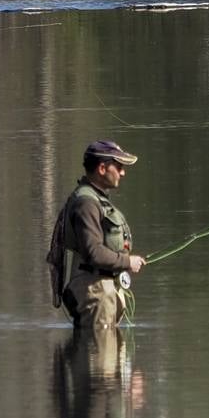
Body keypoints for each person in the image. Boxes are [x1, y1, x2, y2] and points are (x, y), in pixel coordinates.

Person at [46, 140, 144, 329]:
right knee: (99, 355)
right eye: (119, 167)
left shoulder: (94, 199)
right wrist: (128, 262)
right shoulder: (87, 203)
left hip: (102, 290)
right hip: (94, 291)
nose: (123, 173)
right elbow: (93, 252)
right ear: (102, 168)